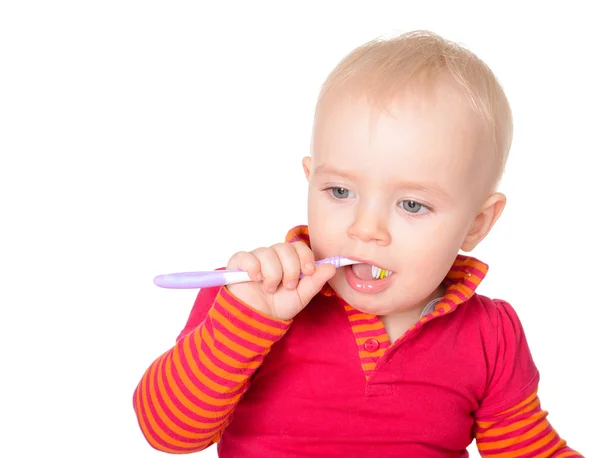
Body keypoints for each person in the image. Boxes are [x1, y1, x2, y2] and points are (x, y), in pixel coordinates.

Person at [133, 30, 583, 457]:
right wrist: (247, 319)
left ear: (476, 223)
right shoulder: (251, 295)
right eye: (341, 192)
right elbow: (167, 432)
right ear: (311, 182)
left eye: (411, 204)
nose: (366, 229)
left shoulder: (492, 335)